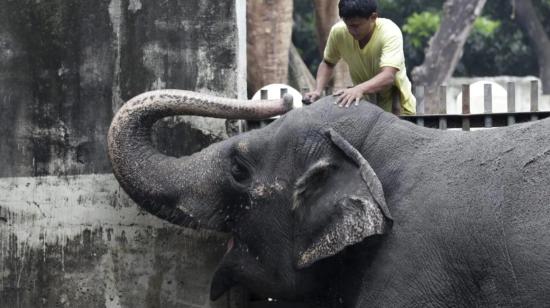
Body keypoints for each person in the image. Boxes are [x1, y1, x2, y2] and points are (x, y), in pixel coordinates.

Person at [303, 0, 416, 115]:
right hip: (366, 111)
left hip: (398, 111)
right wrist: (318, 90)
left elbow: (388, 76)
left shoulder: (389, 32)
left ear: (373, 17)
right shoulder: (338, 33)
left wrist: (359, 89)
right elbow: (328, 63)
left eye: (356, 26)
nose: (352, 31)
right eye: (349, 25)